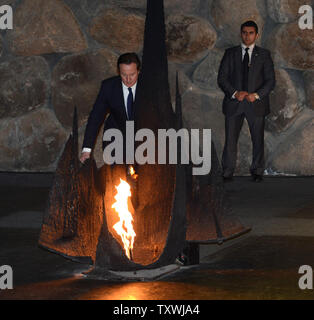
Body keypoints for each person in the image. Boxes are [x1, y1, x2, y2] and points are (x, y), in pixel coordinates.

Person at [217, 20, 275, 182]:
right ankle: (227, 172)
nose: (247, 36)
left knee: (257, 139)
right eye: (244, 32)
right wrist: (235, 93)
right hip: (234, 104)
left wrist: (256, 95)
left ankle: (257, 171)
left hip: (256, 104)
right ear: (240, 34)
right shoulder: (231, 53)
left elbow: (270, 81)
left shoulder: (264, 55)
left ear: (256, 35)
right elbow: (222, 78)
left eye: (250, 33)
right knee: (230, 141)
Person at [80, 52, 141, 163]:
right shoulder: (108, 87)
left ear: (138, 71)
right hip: (115, 139)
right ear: (118, 72)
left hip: (144, 138)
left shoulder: (149, 87)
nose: (128, 79)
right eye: (123, 75)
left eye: (132, 74)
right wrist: (86, 150)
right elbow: (95, 118)